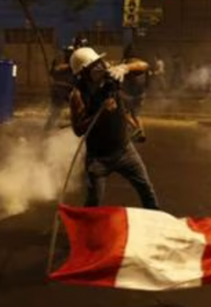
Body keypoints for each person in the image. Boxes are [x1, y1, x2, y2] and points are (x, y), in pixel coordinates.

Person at [68, 47, 159, 210]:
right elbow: (78, 130)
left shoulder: (111, 74)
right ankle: (88, 225)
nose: (99, 67)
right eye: (93, 66)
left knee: (147, 190)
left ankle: (156, 220)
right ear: (83, 73)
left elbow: (144, 66)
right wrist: (100, 112)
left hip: (124, 149)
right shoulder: (78, 95)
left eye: (98, 62)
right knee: (94, 201)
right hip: (98, 159)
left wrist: (125, 67)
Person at [119, 45, 150, 142]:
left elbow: (121, 78)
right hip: (141, 93)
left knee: (124, 114)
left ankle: (136, 129)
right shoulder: (142, 64)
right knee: (136, 115)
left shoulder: (127, 63)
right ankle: (142, 134)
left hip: (128, 94)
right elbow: (148, 80)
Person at [45, 46, 76, 132]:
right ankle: (48, 130)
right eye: (68, 52)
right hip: (60, 89)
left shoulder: (73, 62)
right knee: (56, 111)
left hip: (67, 89)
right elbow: (54, 71)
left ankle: (51, 128)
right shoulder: (62, 60)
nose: (69, 54)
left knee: (73, 109)